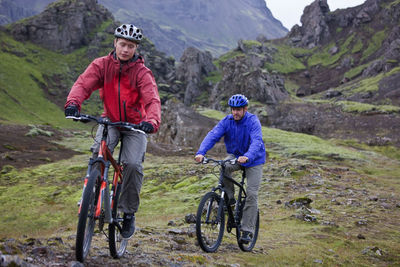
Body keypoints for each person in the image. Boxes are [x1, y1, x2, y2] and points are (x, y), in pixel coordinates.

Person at [64, 23, 161, 238]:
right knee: (97, 154)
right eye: (123, 44)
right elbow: (83, 84)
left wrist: (151, 120)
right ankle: (89, 196)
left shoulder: (142, 73)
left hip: (136, 125)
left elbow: (151, 98)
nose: (126, 49)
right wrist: (73, 103)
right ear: (115, 43)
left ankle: (127, 212)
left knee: (133, 165)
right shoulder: (101, 65)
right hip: (110, 120)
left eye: (131, 46)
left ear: (136, 48)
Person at [194, 94, 266, 244]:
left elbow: (257, 141)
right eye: (233, 109)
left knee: (251, 194)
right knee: (224, 166)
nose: (235, 112)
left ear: (245, 109)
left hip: (254, 159)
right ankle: (230, 200)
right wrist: (201, 152)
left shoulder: (252, 121)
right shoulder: (227, 122)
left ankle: (247, 230)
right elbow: (213, 135)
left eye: (238, 109)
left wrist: (248, 156)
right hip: (236, 156)